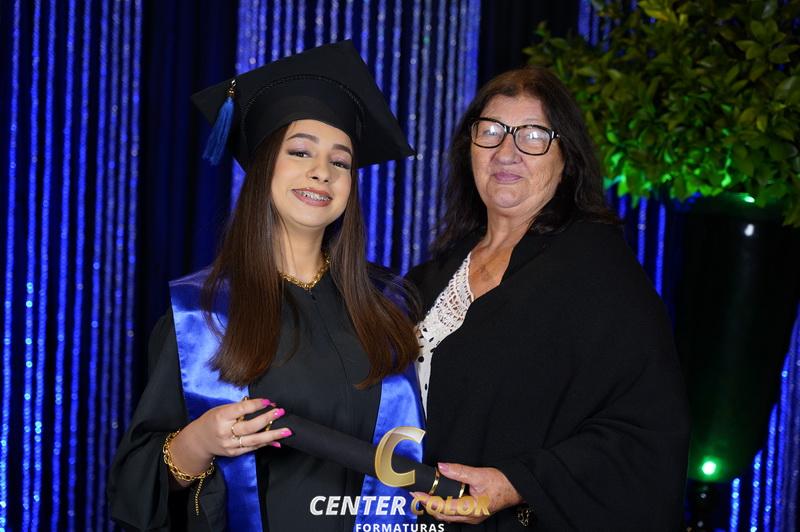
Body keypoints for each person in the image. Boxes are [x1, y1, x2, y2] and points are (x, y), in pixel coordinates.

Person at [108, 41, 424, 532]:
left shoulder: (388, 304)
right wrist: (198, 441)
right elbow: (133, 485)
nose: (322, 172)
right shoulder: (202, 313)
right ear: (262, 166)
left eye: (341, 162)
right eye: (300, 152)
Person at [407, 66, 690, 530]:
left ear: (566, 158)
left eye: (534, 136)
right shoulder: (432, 274)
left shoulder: (597, 271)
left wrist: (517, 483)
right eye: (491, 131)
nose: (507, 152)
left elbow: (645, 436)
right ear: (468, 147)